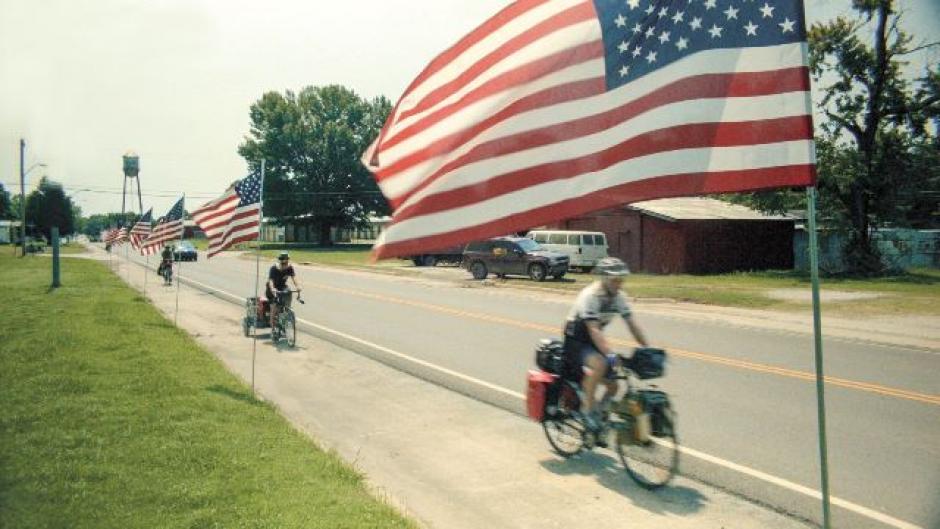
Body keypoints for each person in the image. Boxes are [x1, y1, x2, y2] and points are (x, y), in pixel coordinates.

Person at [562, 257, 649, 432]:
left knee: (613, 386)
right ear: (604, 279)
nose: (619, 284)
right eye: (615, 280)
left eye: (621, 279)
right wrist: (610, 355)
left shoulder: (619, 297)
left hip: (593, 341)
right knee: (600, 364)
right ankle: (587, 410)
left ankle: (599, 414)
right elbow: (594, 330)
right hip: (575, 339)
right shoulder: (590, 296)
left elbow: (632, 324)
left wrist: (647, 348)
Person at [266, 252, 302, 333]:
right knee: (274, 307)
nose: (285, 264)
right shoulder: (274, 268)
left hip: (282, 287)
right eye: (283, 262)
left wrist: (298, 286)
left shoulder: (290, 268)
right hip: (271, 289)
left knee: (288, 294)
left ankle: (287, 314)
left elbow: (294, 277)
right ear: (280, 261)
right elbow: (270, 281)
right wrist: (273, 289)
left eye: (286, 261)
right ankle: (273, 329)